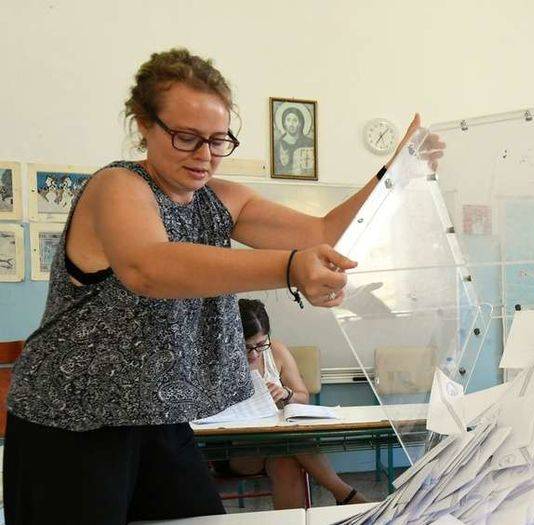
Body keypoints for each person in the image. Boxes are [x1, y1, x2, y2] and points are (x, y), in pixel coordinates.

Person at [4, 47, 442, 525]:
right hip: (72, 419)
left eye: (217, 140)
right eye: (186, 138)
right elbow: (149, 268)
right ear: (144, 125)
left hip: (160, 415)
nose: (204, 156)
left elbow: (323, 231)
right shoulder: (117, 186)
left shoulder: (221, 200)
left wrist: (394, 174)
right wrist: (291, 268)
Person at [221, 298, 367, 508]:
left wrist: (285, 393)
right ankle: (345, 494)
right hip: (239, 450)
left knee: (285, 463)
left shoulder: (276, 351)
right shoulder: (220, 359)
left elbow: (302, 396)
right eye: (246, 347)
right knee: (291, 440)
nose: (254, 354)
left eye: (260, 345)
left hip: (279, 442)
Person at [275, 106, 314, 176]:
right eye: (288, 120)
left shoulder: (309, 143)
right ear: (284, 123)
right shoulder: (278, 145)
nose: (291, 124)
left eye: (295, 120)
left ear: (300, 124)